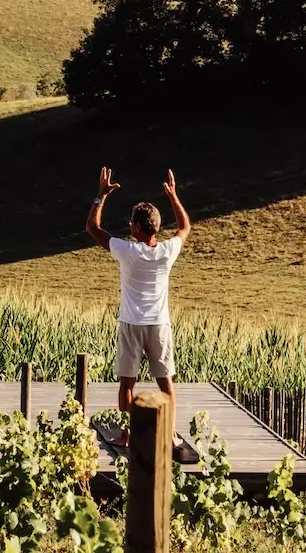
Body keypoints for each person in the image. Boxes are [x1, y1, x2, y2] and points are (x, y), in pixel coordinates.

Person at [86, 167, 191, 455]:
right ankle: (169, 434)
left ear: (136, 227)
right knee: (165, 381)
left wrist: (101, 196)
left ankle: (127, 434)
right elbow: (185, 227)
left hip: (132, 324)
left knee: (127, 384)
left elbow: (93, 229)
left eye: (131, 223)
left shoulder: (128, 251)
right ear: (155, 227)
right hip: (159, 325)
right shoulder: (167, 251)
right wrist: (173, 197)